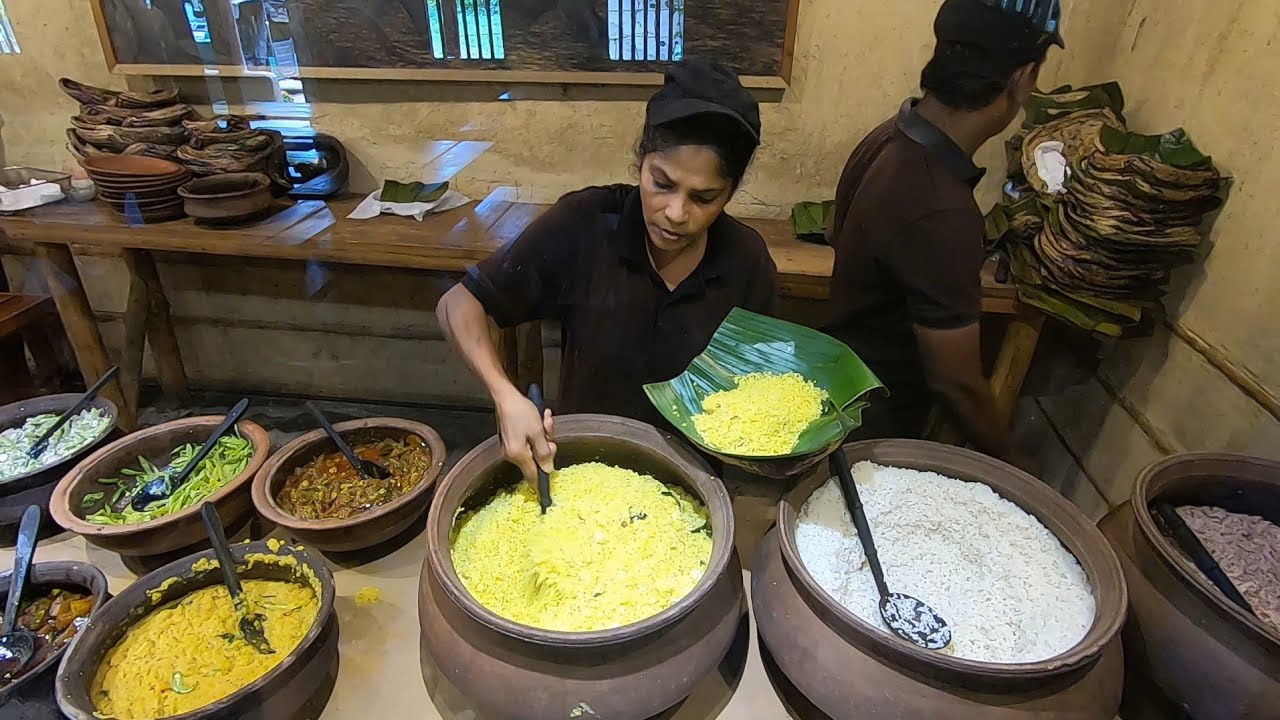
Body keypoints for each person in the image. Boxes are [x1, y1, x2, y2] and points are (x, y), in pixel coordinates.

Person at [437, 59, 777, 484]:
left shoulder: (746, 261)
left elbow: (757, 392)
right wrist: (504, 395)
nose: (675, 214)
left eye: (704, 198)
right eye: (662, 183)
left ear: (731, 193)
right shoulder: (587, 224)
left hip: (690, 484)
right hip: (580, 471)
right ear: (641, 161)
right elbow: (457, 304)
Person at [825, 0, 1064, 466]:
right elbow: (956, 384)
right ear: (1023, 77)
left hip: (846, 380)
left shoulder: (889, 136)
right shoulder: (941, 209)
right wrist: (1015, 466)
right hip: (874, 428)